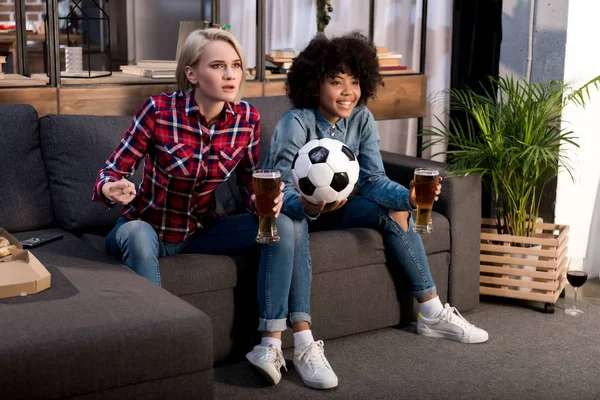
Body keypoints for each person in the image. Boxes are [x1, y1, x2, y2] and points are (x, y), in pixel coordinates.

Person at [92, 29, 331, 389]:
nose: (231, 74)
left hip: (201, 232)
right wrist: (112, 187)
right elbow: (112, 170)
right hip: (146, 228)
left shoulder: (246, 119)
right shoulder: (158, 110)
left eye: (235, 65)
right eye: (218, 65)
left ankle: (269, 344)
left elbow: (250, 184)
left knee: (282, 222)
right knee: (138, 234)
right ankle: (160, 353)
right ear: (192, 73)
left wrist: (269, 200)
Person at [263, 32, 489, 353]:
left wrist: (408, 198)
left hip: (341, 208)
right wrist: (311, 205)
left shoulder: (362, 119)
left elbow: (372, 180)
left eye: (354, 82)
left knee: (395, 210)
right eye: (336, 81)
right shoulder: (295, 122)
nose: (347, 92)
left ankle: (433, 312)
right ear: (314, 83)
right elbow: (279, 190)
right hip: (300, 214)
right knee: (305, 217)